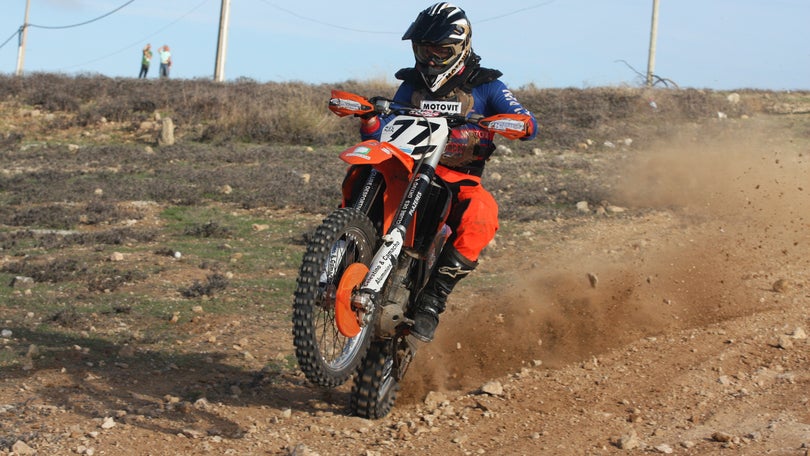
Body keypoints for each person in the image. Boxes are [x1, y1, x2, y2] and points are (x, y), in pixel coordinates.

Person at [353, 2, 538, 342]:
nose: (431, 60)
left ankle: (432, 302)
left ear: (461, 47)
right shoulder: (411, 83)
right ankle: (348, 246)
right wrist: (370, 121)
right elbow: (387, 129)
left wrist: (517, 123)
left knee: (482, 214)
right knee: (367, 167)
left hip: (458, 178)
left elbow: (527, 121)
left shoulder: (486, 85)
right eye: (424, 50)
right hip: (408, 169)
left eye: (440, 51)